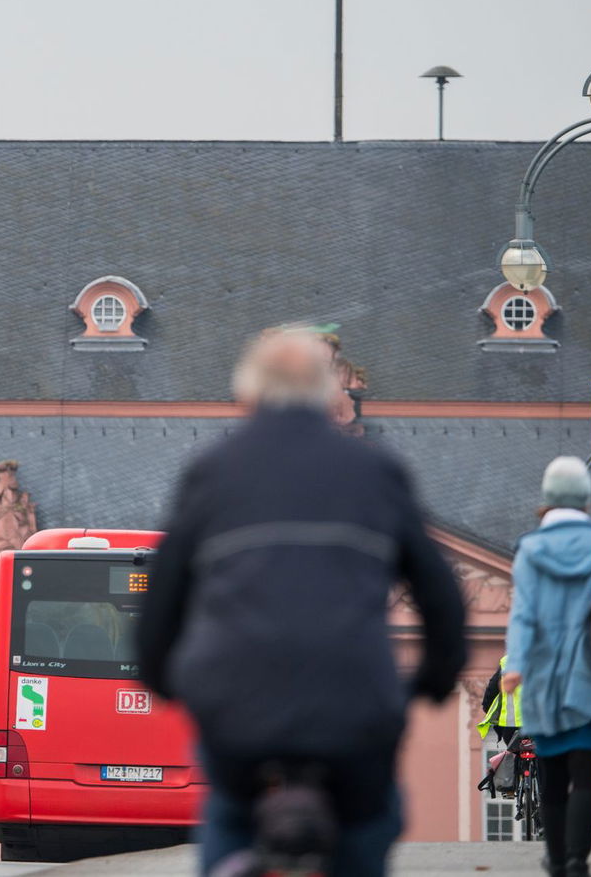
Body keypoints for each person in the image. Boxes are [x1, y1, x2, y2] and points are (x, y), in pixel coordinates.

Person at [137, 328, 466, 877]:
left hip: (238, 708)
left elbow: (163, 595)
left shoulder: (214, 471)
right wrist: (433, 679)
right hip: (355, 705)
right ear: (326, 392)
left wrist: (163, 680)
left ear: (249, 392)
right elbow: (441, 595)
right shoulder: (374, 471)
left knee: (230, 813)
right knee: (371, 819)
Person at [502, 456, 591, 877]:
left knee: (552, 779)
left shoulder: (530, 550)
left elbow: (523, 615)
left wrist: (516, 665)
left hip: (545, 682)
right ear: (585, 499)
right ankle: (577, 861)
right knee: (586, 777)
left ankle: (554, 861)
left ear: (547, 499)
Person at [478, 655, 522, 747]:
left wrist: (489, 710)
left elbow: (491, 693)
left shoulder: (507, 662)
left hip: (511, 728)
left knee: (516, 753)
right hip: (541, 726)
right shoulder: (549, 658)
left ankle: (517, 760)